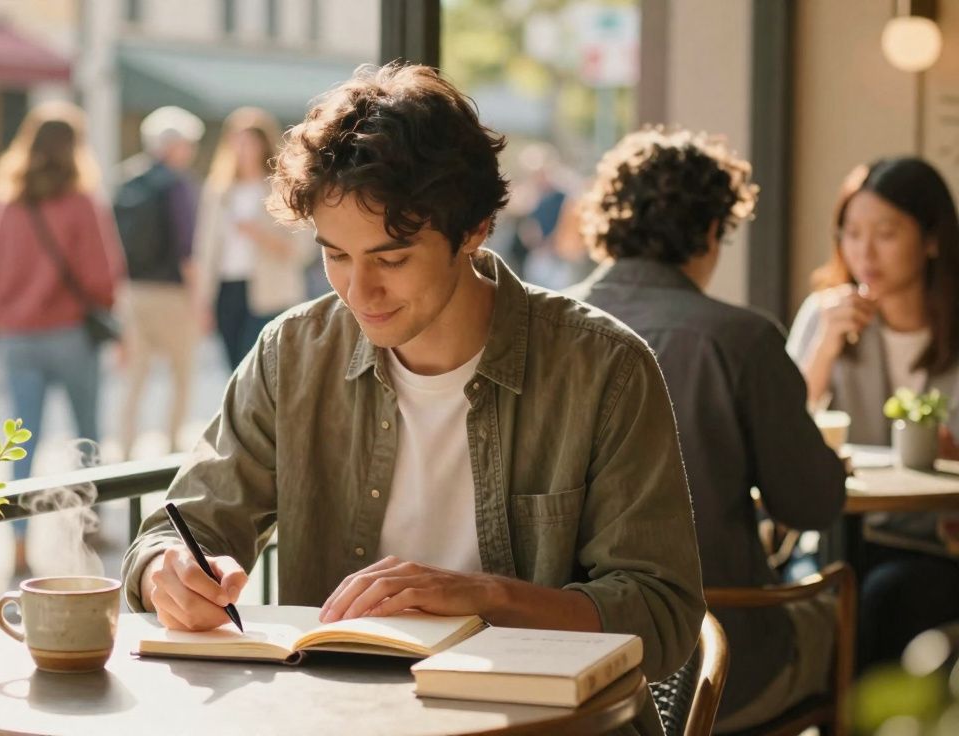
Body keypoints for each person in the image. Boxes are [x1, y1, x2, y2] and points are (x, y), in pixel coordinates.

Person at [122, 63, 704, 736]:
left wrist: (484, 599)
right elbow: (178, 530)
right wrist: (166, 573)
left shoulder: (603, 367)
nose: (357, 292)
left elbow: (662, 617)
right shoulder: (294, 353)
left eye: (392, 259)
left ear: (476, 229)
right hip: (342, 720)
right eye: (335, 255)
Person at [569, 128, 847, 731]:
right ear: (713, 229)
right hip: (713, 662)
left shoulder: (541, 329)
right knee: (842, 610)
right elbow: (810, 503)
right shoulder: (739, 339)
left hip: (575, 668)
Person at [787, 157, 959, 670]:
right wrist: (825, 351)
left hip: (940, 544)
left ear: (931, 241)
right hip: (841, 537)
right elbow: (782, 433)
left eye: (886, 233)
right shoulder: (825, 315)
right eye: (851, 232)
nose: (864, 251)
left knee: (883, 599)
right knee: (832, 594)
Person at [0, 101, 126, 575]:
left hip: (17, 335)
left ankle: (20, 541)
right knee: (86, 433)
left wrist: (8, 311)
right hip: (70, 334)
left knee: (20, 439)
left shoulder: (7, 201)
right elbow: (105, 273)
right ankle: (89, 524)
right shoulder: (82, 202)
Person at [114, 106, 204, 460]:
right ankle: (171, 449)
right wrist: (199, 298)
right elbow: (187, 247)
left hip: (132, 292)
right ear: (172, 145)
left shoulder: (126, 179)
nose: (190, 150)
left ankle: (124, 449)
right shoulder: (178, 185)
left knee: (134, 378)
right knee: (182, 376)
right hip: (173, 293)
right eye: (187, 143)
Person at [193, 106, 313, 370]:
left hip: (268, 292)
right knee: (235, 369)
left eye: (249, 142)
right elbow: (204, 249)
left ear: (263, 144)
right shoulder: (218, 191)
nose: (242, 148)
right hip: (227, 289)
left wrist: (258, 234)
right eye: (236, 141)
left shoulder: (281, 188)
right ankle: (243, 413)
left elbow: (301, 250)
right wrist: (202, 300)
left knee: (260, 367)